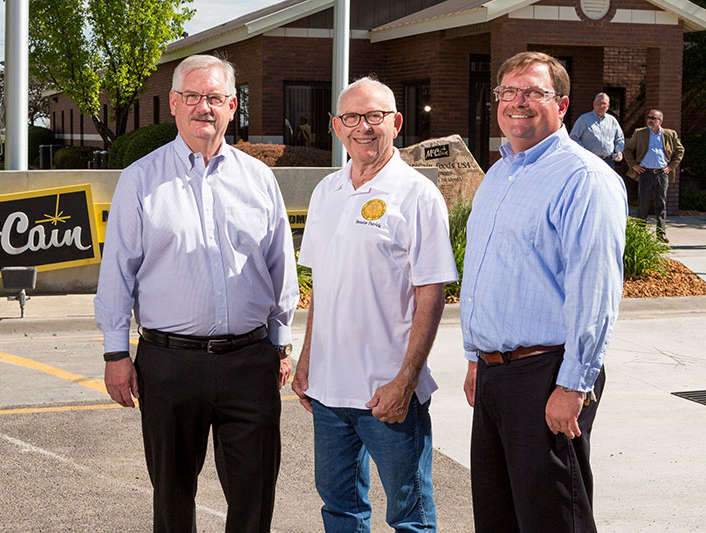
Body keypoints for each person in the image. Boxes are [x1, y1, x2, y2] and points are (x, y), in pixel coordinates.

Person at [94, 54, 299, 533]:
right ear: (173, 104)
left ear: (232, 106)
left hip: (250, 362)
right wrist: (114, 352)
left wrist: (281, 342)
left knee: (254, 502)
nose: (203, 107)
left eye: (214, 98)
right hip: (168, 366)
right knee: (172, 500)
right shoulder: (140, 179)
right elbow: (118, 270)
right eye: (192, 96)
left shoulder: (259, 179)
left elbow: (279, 265)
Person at [460, 52, 627, 532]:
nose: (519, 103)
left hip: (548, 374)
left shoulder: (585, 179)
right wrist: (476, 358)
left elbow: (594, 292)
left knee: (552, 519)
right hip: (496, 376)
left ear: (563, 104)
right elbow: (487, 270)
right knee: (498, 517)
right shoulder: (499, 173)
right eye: (508, 92)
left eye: (535, 92)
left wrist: (573, 384)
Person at [292, 77, 458, 531]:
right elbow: (322, 287)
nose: (363, 127)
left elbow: (432, 293)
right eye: (351, 117)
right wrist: (306, 361)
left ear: (397, 123)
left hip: (388, 393)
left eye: (375, 117)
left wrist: (405, 381)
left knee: (410, 517)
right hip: (328, 393)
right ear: (336, 127)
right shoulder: (326, 192)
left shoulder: (417, 195)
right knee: (340, 508)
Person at [624, 109, 685, 243]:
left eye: (653, 118)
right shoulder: (640, 133)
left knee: (661, 204)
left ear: (660, 121)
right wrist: (633, 165)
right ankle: (639, 233)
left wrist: (671, 167)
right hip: (645, 173)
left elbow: (680, 150)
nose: (650, 120)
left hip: (662, 174)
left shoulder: (670, 134)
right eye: (649, 117)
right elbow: (627, 150)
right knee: (643, 204)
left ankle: (661, 233)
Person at [569, 92, 624, 169]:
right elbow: (573, 138)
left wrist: (619, 151)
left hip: (608, 161)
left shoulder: (612, 120)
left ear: (608, 106)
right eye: (598, 103)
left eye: (604, 104)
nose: (601, 106)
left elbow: (619, 138)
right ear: (594, 104)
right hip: (589, 160)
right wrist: (583, 150)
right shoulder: (584, 119)